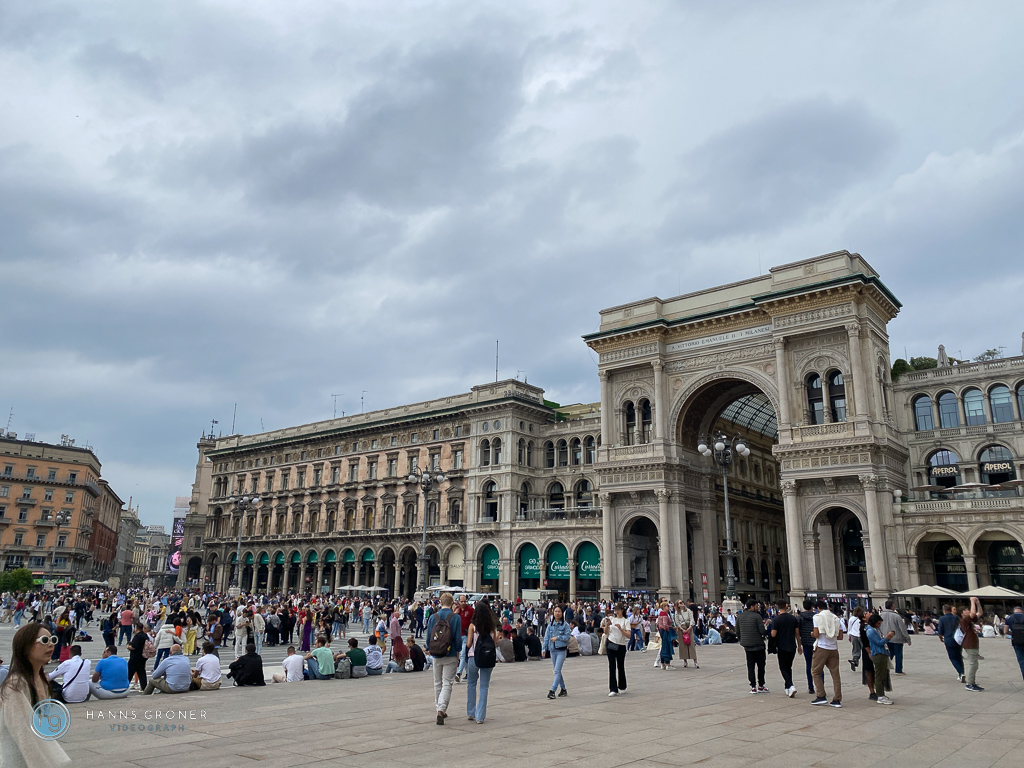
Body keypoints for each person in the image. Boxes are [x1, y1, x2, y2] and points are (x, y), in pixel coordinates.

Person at [0, 623, 73, 767]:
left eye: (52, 639)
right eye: (44, 641)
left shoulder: (42, 680)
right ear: (25, 647)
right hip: (17, 759)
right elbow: (23, 733)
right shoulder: (16, 685)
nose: (51, 644)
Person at [424, 592, 462, 725]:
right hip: (450, 654)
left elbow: (428, 637)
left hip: (435, 654)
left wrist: (430, 649)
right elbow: (457, 638)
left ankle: (438, 708)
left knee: (437, 682)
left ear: (440, 602)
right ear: (452, 603)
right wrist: (458, 651)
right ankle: (441, 709)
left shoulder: (433, 617)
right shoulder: (455, 617)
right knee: (447, 683)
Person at [465, 600, 499, 724]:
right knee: (484, 686)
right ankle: (480, 716)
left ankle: (470, 712)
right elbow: (494, 643)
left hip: (474, 657)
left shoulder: (472, 626)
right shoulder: (491, 627)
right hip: (487, 657)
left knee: (471, 683)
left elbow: (469, 644)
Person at [810, 600, 843, 707]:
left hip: (822, 647)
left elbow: (816, 634)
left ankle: (821, 695)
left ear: (818, 608)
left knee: (816, 672)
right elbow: (840, 636)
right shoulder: (835, 618)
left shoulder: (817, 617)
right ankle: (837, 699)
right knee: (835, 674)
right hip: (833, 648)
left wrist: (812, 634)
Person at [736, 600, 768, 694]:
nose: (758, 607)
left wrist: (742, 639)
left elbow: (737, 630)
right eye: (756, 606)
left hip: (747, 645)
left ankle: (752, 686)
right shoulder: (757, 616)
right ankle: (761, 685)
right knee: (761, 666)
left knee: (750, 666)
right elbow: (762, 631)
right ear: (752, 606)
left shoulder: (740, 616)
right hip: (758, 645)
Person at [770, 601, 800, 697]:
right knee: (788, 667)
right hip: (792, 645)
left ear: (777, 607)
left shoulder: (776, 619)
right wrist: (799, 645)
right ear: (786, 607)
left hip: (782, 646)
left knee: (783, 667)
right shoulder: (793, 618)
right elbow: (797, 633)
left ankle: (791, 685)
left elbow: (773, 634)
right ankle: (787, 687)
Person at [542, 605, 571, 699]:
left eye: (559, 611)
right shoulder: (550, 625)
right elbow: (546, 638)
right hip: (552, 650)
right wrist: (543, 649)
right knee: (557, 671)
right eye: (556, 611)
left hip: (561, 650)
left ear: (562, 613)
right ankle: (563, 689)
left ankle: (553, 690)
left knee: (557, 670)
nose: (557, 613)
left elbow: (567, 637)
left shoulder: (565, 625)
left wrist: (558, 638)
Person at [865, 614, 894, 705]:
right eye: (878, 623)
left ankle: (881, 694)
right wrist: (887, 637)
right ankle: (880, 696)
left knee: (883, 675)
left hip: (882, 653)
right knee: (879, 675)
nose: (879, 625)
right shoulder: (870, 631)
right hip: (878, 654)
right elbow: (879, 643)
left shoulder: (875, 629)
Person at [603, 602, 630, 696]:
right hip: (611, 643)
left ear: (622, 610)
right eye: (615, 610)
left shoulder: (625, 621)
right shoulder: (612, 619)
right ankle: (613, 688)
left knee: (620, 666)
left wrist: (621, 629)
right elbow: (606, 632)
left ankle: (622, 686)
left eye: (618, 610)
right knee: (612, 666)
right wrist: (607, 625)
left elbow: (629, 635)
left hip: (621, 645)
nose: (616, 612)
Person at [879, 601, 911, 674]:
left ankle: (884, 667)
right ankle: (898, 669)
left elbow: (879, 627)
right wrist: (907, 639)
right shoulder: (896, 616)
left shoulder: (881, 615)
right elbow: (902, 628)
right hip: (897, 638)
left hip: (887, 637)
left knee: (889, 653)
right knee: (898, 654)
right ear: (892, 606)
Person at [936, 604, 965, 682]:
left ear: (944, 610)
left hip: (948, 639)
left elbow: (940, 630)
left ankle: (960, 673)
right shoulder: (956, 617)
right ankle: (962, 672)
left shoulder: (942, 618)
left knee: (952, 657)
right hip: (958, 639)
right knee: (959, 656)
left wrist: (940, 637)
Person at [960, 596, 984, 692]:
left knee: (974, 664)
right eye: (966, 610)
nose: (968, 610)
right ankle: (969, 684)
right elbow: (973, 613)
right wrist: (972, 601)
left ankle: (971, 682)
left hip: (972, 643)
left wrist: (978, 603)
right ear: (962, 614)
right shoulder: (965, 620)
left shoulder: (970, 620)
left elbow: (979, 613)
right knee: (973, 664)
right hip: (969, 644)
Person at [797, 600, 816, 695]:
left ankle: (811, 687)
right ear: (812, 606)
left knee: (809, 665)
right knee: (818, 665)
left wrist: (799, 644)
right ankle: (821, 685)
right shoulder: (816, 616)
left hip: (806, 642)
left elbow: (798, 631)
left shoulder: (800, 617)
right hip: (816, 642)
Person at [128, 622, 149, 691]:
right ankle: (144, 688)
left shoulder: (137, 636)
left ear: (136, 628)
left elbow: (134, 647)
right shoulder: (145, 635)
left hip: (135, 657)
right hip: (143, 657)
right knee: (142, 672)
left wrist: (128, 646)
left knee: (129, 672)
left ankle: (124, 686)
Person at [1005, 606, 1024, 682]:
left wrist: (1013, 634)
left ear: (1014, 611)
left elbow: (1005, 631)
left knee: (1022, 662)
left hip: (1016, 642)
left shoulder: (1009, 618)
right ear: (1022, 611)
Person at [847, 607, 863, 672]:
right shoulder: (861, 619)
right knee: (865, 649)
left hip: (853, 635)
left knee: (856, 649)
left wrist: (849, 636)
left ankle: (855, 660)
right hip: (861, 636)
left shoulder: (851, 619)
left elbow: (849, 628)